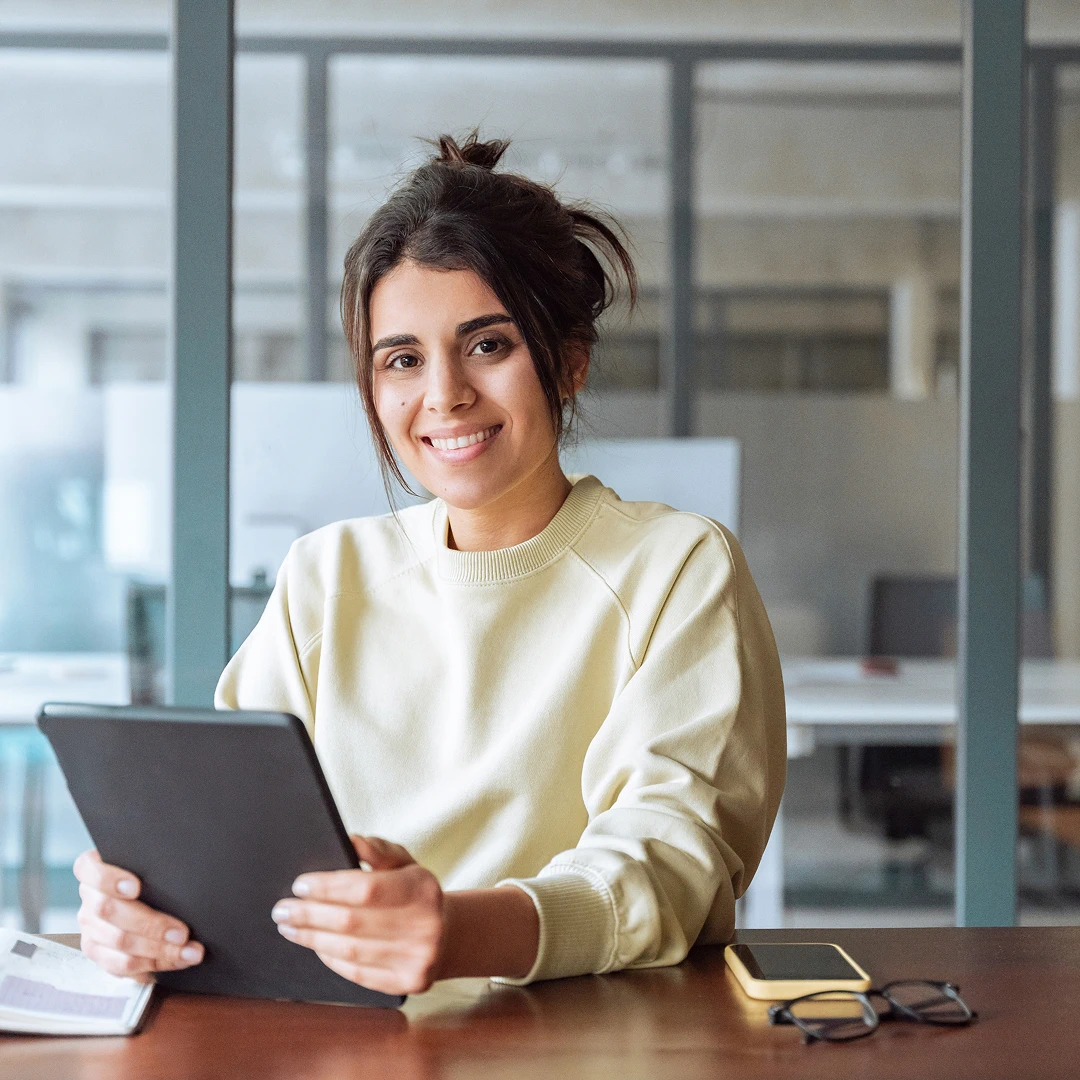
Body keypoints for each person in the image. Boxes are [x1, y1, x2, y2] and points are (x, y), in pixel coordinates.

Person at [73, 132, 787, 996]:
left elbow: (670, 865)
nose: (443, 394)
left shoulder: (677, 567)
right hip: (340, 1043)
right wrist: (141, 902)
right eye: (402, 359)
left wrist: (455, 933)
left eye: (488, 345)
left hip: (577, 1039)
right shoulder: (323, 575)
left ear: (568, 363)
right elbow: (220, 834)